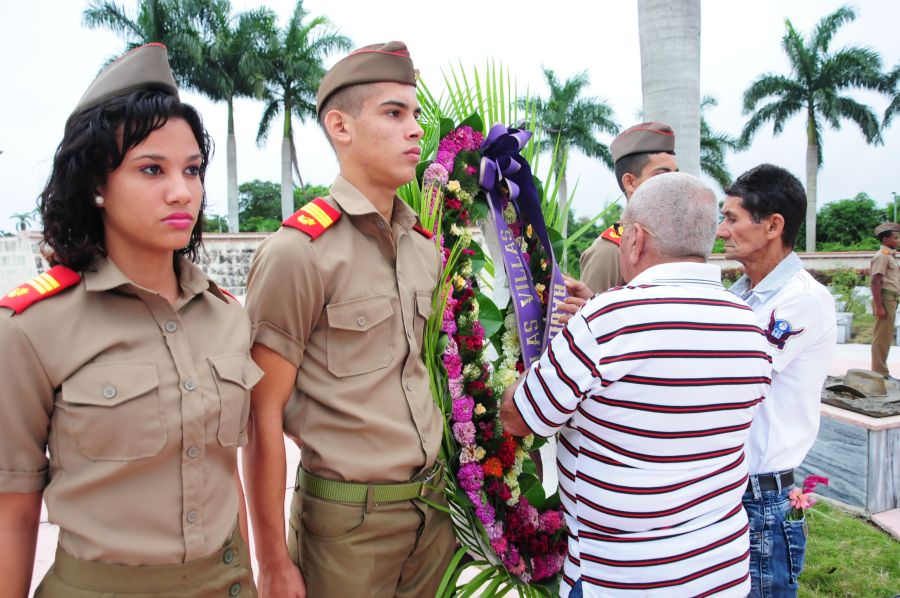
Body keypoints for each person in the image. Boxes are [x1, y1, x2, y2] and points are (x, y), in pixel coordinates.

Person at [0, 44, 260, 597]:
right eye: (151, 169)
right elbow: (12, 511)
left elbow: (223, 471)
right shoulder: (31, 328)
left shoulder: (226, 318)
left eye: (192, 170)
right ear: (97, 185)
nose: (181, 191)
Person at [242, 42, 456, 598]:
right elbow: (260, 416)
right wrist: (270, 561)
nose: (415, 130)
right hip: (347, 527)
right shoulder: (298, 253)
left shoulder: (423, 248)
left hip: (434, 514)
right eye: (393, 113)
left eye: (415, 115)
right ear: (340, 126)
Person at [502, 172, 772, 597]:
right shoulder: (751, 327)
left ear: (636, 239)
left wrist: (543, 353)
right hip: (719, 572)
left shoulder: (607, 321)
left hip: (623, 578)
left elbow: (520, 418)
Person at [717, 164, 837, 597]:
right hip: (733, 489)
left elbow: (734, 374)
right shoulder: (742, 293)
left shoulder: (801, 301)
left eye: (731, 218)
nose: (721, 230)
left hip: (762, 500)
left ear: (773, 225)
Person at [579, 122, 677, 293]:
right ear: (630, 182)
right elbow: (590, 318)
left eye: (675, 174)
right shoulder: (608, 252)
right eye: (662, 175)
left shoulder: (675, 242)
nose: (674, 183)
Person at [870, 222, 900, 378]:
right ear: (885, 239)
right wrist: (880, 306)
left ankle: (881, 371)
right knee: (881, 338)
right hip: (885, 298)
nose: (898, 240)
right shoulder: (882, 256)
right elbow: (876, 281)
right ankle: (879, 373)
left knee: (886, 337)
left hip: (890, 298)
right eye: (895, 238)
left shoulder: (889, 255)